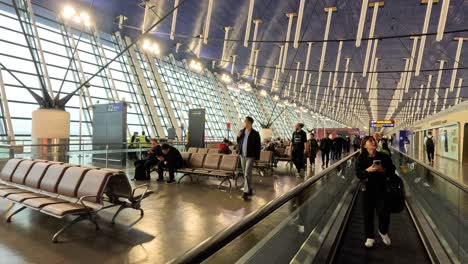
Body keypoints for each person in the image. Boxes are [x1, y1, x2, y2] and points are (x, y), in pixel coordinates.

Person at [356, 136, 396, 248]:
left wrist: (383, 170)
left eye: (374, 141)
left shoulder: (384, 157)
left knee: (384, 212)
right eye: (370, 141)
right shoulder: (361, 158)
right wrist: (367, 171)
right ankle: (370, 237)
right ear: (365, 145)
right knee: (367, 214)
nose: (374, 142)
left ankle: (383, 231)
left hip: (382, 189)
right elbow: (358, 174)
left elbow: (392, 170)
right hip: (367, 190)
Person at [237, 116, 261, 200]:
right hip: (242, 155)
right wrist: (238, 136)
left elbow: (258, 147)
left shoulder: (255, 133)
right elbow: (239, 143)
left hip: (250, 156)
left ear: (250, 123)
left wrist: (257, 158)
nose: (244, 123)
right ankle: (249, 188)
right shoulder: (242, 132)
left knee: (247, 173)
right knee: (246, 173)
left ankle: (245, 192)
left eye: (245, 121)